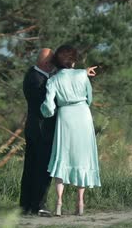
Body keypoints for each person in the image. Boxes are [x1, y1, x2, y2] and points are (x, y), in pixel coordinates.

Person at [41, 45, 101, 216]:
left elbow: (49, 106)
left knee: (63, 155)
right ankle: (80, 202)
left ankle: (59, 202)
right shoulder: (82, 74)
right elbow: (89, 98)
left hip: (65, 116)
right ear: (73, 60)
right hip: (82, 114)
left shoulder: (53, 80)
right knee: (83, 156)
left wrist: (46, 112)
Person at [20, 48, 57, 216]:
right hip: (42, 130)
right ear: (46, 63)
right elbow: (49, 104)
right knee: (42, 168)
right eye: (53, 62)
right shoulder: (39, 80)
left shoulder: (32, 74)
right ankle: (38, 205)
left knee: (31, 167)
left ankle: (26, 205)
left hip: (33, 128)